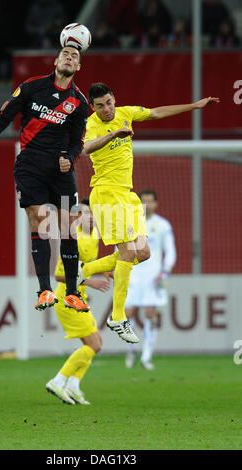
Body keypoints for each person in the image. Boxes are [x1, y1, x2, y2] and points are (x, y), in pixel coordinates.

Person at [78, 82, 219, 344]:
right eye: (100, 106)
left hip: (127, 195)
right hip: (107, 193)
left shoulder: (125, 113)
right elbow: (84, 148)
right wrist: (113, 135)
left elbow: (155, 113)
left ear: (114, 99)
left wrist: (194, 106)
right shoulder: (90, 125)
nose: (107, 109)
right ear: (92, 107)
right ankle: (117, 317)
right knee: (128, 252)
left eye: (109, 102)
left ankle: (82, 270)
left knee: (142, 252)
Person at [0, 46, 90, 313]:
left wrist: (70, 156)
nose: (69, 57)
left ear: (78, 67)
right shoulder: (31, 88)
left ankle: (71, 292)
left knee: (68, 225)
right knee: (40, 220)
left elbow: (78, 141)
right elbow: (2, 118)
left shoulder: (79, 103)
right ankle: (45, 289)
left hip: (61, 169)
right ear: (56, 60)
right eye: (65, 53)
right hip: (31, 164)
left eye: (74, 56)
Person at [46, 199, 111, 405]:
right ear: (76, 217)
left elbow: (86, 265)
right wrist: (91, 281)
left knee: (96, 342)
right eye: (85, 213)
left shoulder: (93, 236)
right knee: (93, 344)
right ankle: (58, 381)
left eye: (92, 213)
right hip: (67, 298)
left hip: (79, 298)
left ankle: (73, 385)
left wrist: (103, 270)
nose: (90, 216)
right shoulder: (72, 239)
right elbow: (58, 275)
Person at [124, 189, 176, 370]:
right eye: (142, 201)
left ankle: (147, 356)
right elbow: (119, 249)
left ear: (156, 204)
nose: (146, 205)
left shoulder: (163, 225)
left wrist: (166, 271)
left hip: (152, 277)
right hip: (132, 275)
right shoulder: (129, 224)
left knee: (150, 313)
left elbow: (170, 251)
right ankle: (131, 350)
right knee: (127, 313)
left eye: (149, 201)